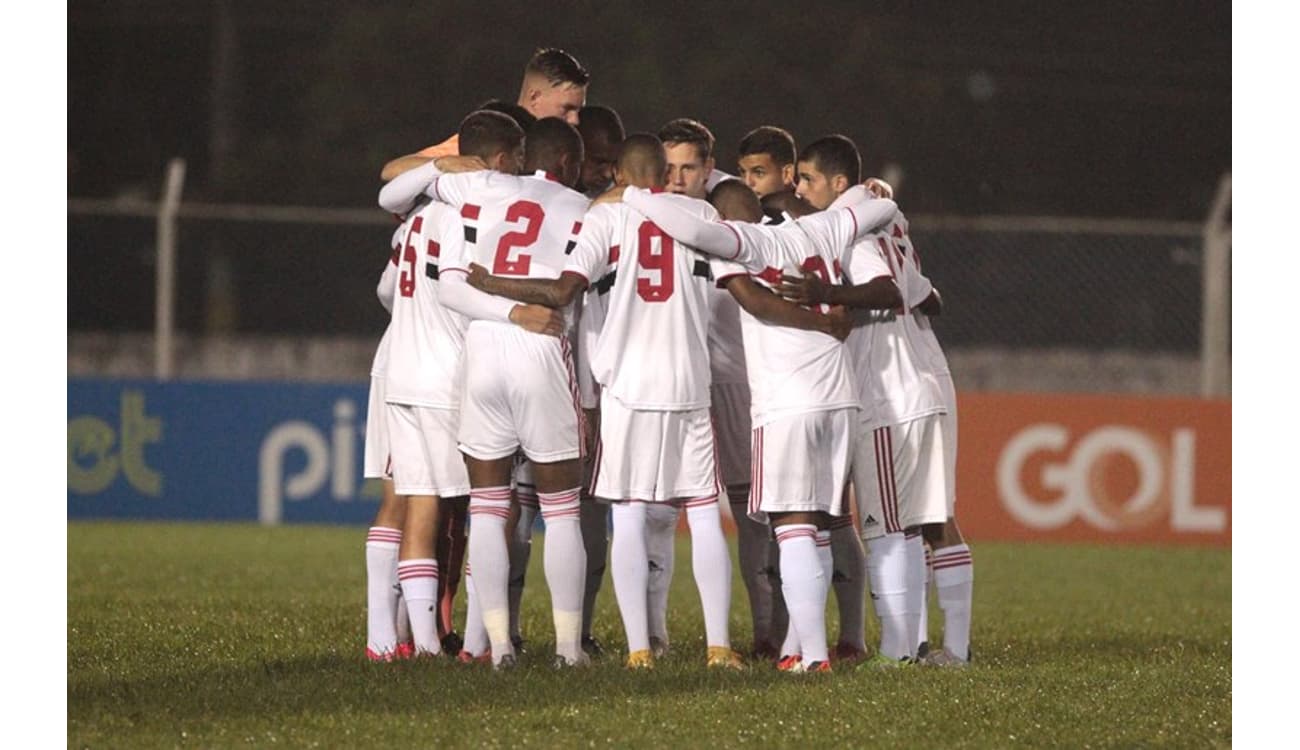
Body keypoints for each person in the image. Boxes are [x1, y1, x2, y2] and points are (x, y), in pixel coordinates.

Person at [465, 134, 750, 670]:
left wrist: (489, 281)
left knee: (629, 513)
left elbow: (560, 292)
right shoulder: (696, 215)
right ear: (664, 174)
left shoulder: (603, 220)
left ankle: (640, 650)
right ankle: (718, 647)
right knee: (705, 514)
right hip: (689, 383)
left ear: (619, 175)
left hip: (625, 389)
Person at [621, 177, 900, 673]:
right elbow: (879, 209)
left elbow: (704, 242)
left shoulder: (745, 241)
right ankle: (796, 645)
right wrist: (868, 191)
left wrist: (634, 196)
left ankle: (812, 658)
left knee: (791, 530)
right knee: (816, 528)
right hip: (839, 398)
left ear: (727, 218)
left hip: (787, 401)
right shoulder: (821, 229)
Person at [381, 111, 564, 658]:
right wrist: (517, 313)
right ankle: (482, 643)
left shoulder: (422, 209)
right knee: (491, 506)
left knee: (420, 506)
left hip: (403, 368)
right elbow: (458, 290)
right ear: (507, 160)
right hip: (456, 371)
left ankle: (410, 643)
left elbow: (387, 277)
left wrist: (437, 163)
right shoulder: (486, 204)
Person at [414, 117, 593, 670]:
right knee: (562, 511)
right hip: (541, 346)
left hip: (483, 348)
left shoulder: (477, 188)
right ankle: (567, 649)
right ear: (566, 164)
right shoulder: (583, 208)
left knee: (488, 510)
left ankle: (497, 649)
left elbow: (447, 283)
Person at [780, 134, 949, 667]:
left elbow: (885, 290)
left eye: (806, 178)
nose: (797, 188)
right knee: (906, 526)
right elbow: (929, 297)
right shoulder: (887, 220)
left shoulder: (851, 228)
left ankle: (899, 652)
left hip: (886, 392)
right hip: (923, 378)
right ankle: (913, 646)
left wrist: (825, 295)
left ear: (837, 183)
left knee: (886, 529)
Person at [380, 48, 589, 181]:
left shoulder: (567, 149)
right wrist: (442, 164)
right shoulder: (493, 134)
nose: (575, 120)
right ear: (534, 97)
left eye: (578, 110)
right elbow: (393, 170)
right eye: (567, 108)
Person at [363, 231, 412, 662]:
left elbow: (386, 289)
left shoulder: (411, 225)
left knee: (422, 500)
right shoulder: (469, 214)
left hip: (410, 357)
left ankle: (401, 632)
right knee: (404, 495)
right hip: (414, 364)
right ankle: (383, 638)